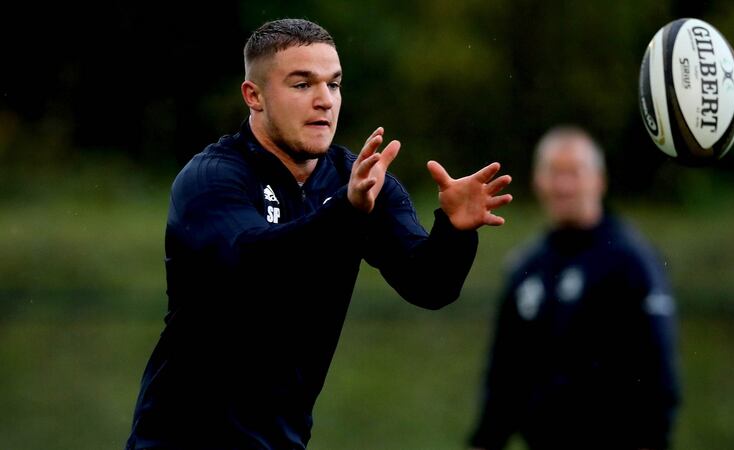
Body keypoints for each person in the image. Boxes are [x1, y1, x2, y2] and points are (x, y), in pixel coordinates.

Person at [124, 18, 512, 450]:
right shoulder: (212, 179)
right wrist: (346, 213)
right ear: (254, 96)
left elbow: (429, 284)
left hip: (283, 439)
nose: (324, 101)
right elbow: (253, 263)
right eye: (302, 84)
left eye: (334, 84)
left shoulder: (358, 180)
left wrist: (455, 230)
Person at [468, 126, 680, 450]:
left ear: (599, 180)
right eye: (553, 173)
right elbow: (504, 378)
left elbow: (659, 377)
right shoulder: (526, 267)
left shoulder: (631, 261)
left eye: (575, 173)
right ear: (537, 181)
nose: (563, 185)